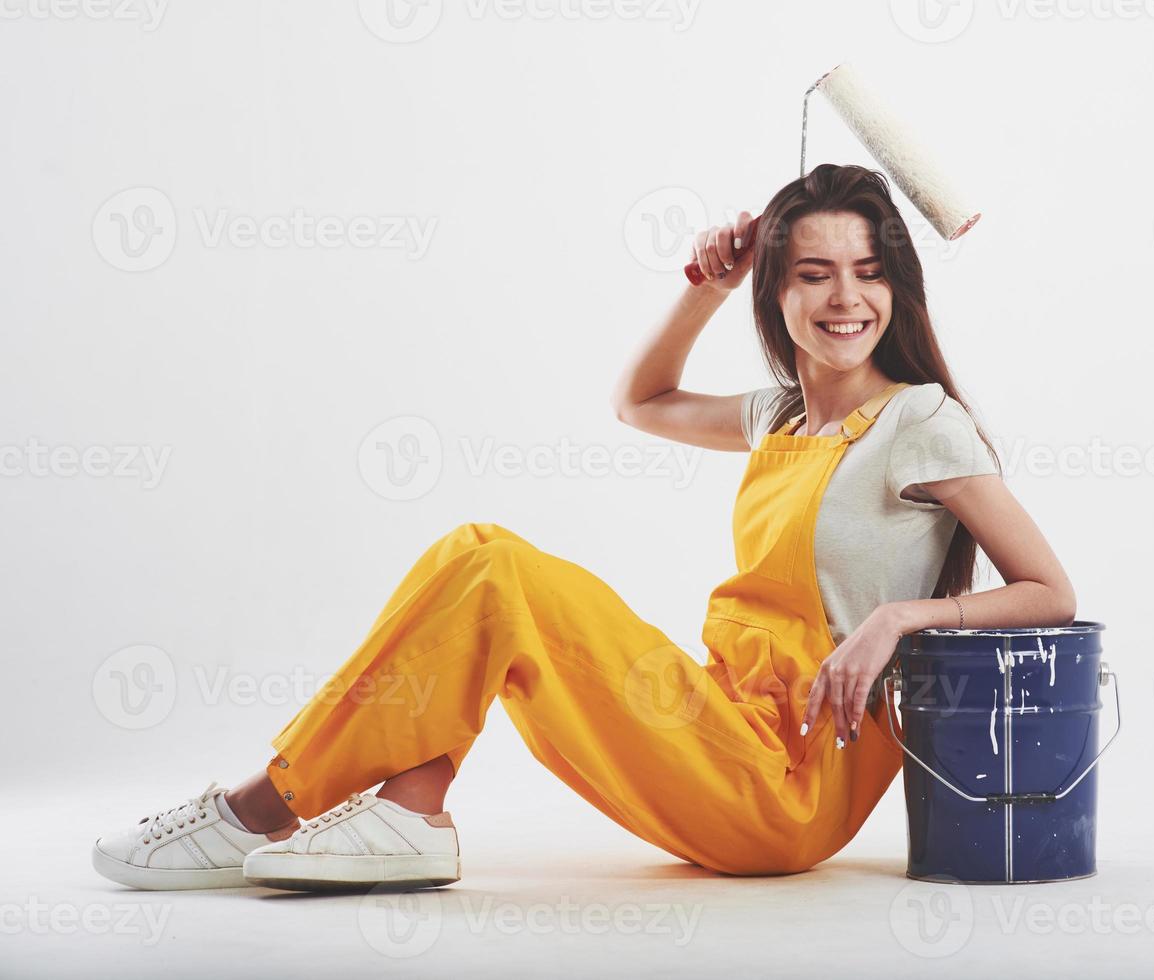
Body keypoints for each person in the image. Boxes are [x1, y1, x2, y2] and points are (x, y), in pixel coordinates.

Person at [91, 163, 1076, 892]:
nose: (845, 298)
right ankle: (409, 807)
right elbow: (638, 400)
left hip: (791, 777)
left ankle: (259, 808)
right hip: (716, 718)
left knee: (499, 573)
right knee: (480, 556)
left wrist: (898, 619)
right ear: (777, 293)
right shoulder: (780, 415)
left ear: (897, 287)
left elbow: (1050, 592)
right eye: (813, 273)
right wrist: (706, 283)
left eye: (867, 271)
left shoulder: (919, 421)